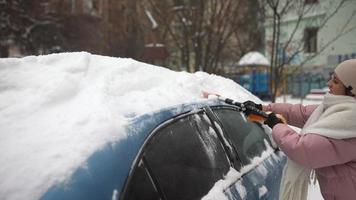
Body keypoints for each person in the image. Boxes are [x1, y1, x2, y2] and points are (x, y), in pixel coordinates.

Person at [245, 59, 356, 200]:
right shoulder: (337, 110)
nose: (329, 83)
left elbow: (302, 149)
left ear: (351, 90)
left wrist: (276, 125)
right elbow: (302, 113)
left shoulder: (349, 123)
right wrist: (264, 108)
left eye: (335, 81)